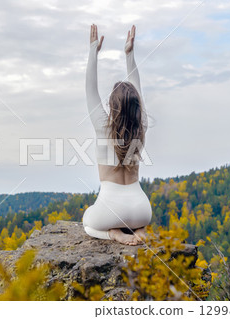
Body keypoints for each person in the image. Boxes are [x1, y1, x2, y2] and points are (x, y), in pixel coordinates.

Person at [82, 24, 152, 246]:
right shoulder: (142, 126)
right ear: (136, 107)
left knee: (87, 221)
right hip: (142, 209)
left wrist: (93, 50)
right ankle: (139, 229)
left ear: (112, 105)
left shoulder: (103, 127)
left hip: (110, 210)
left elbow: (90, 88)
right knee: (135, 218)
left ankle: (114, 234)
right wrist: (129, 55)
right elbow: (137, 92)